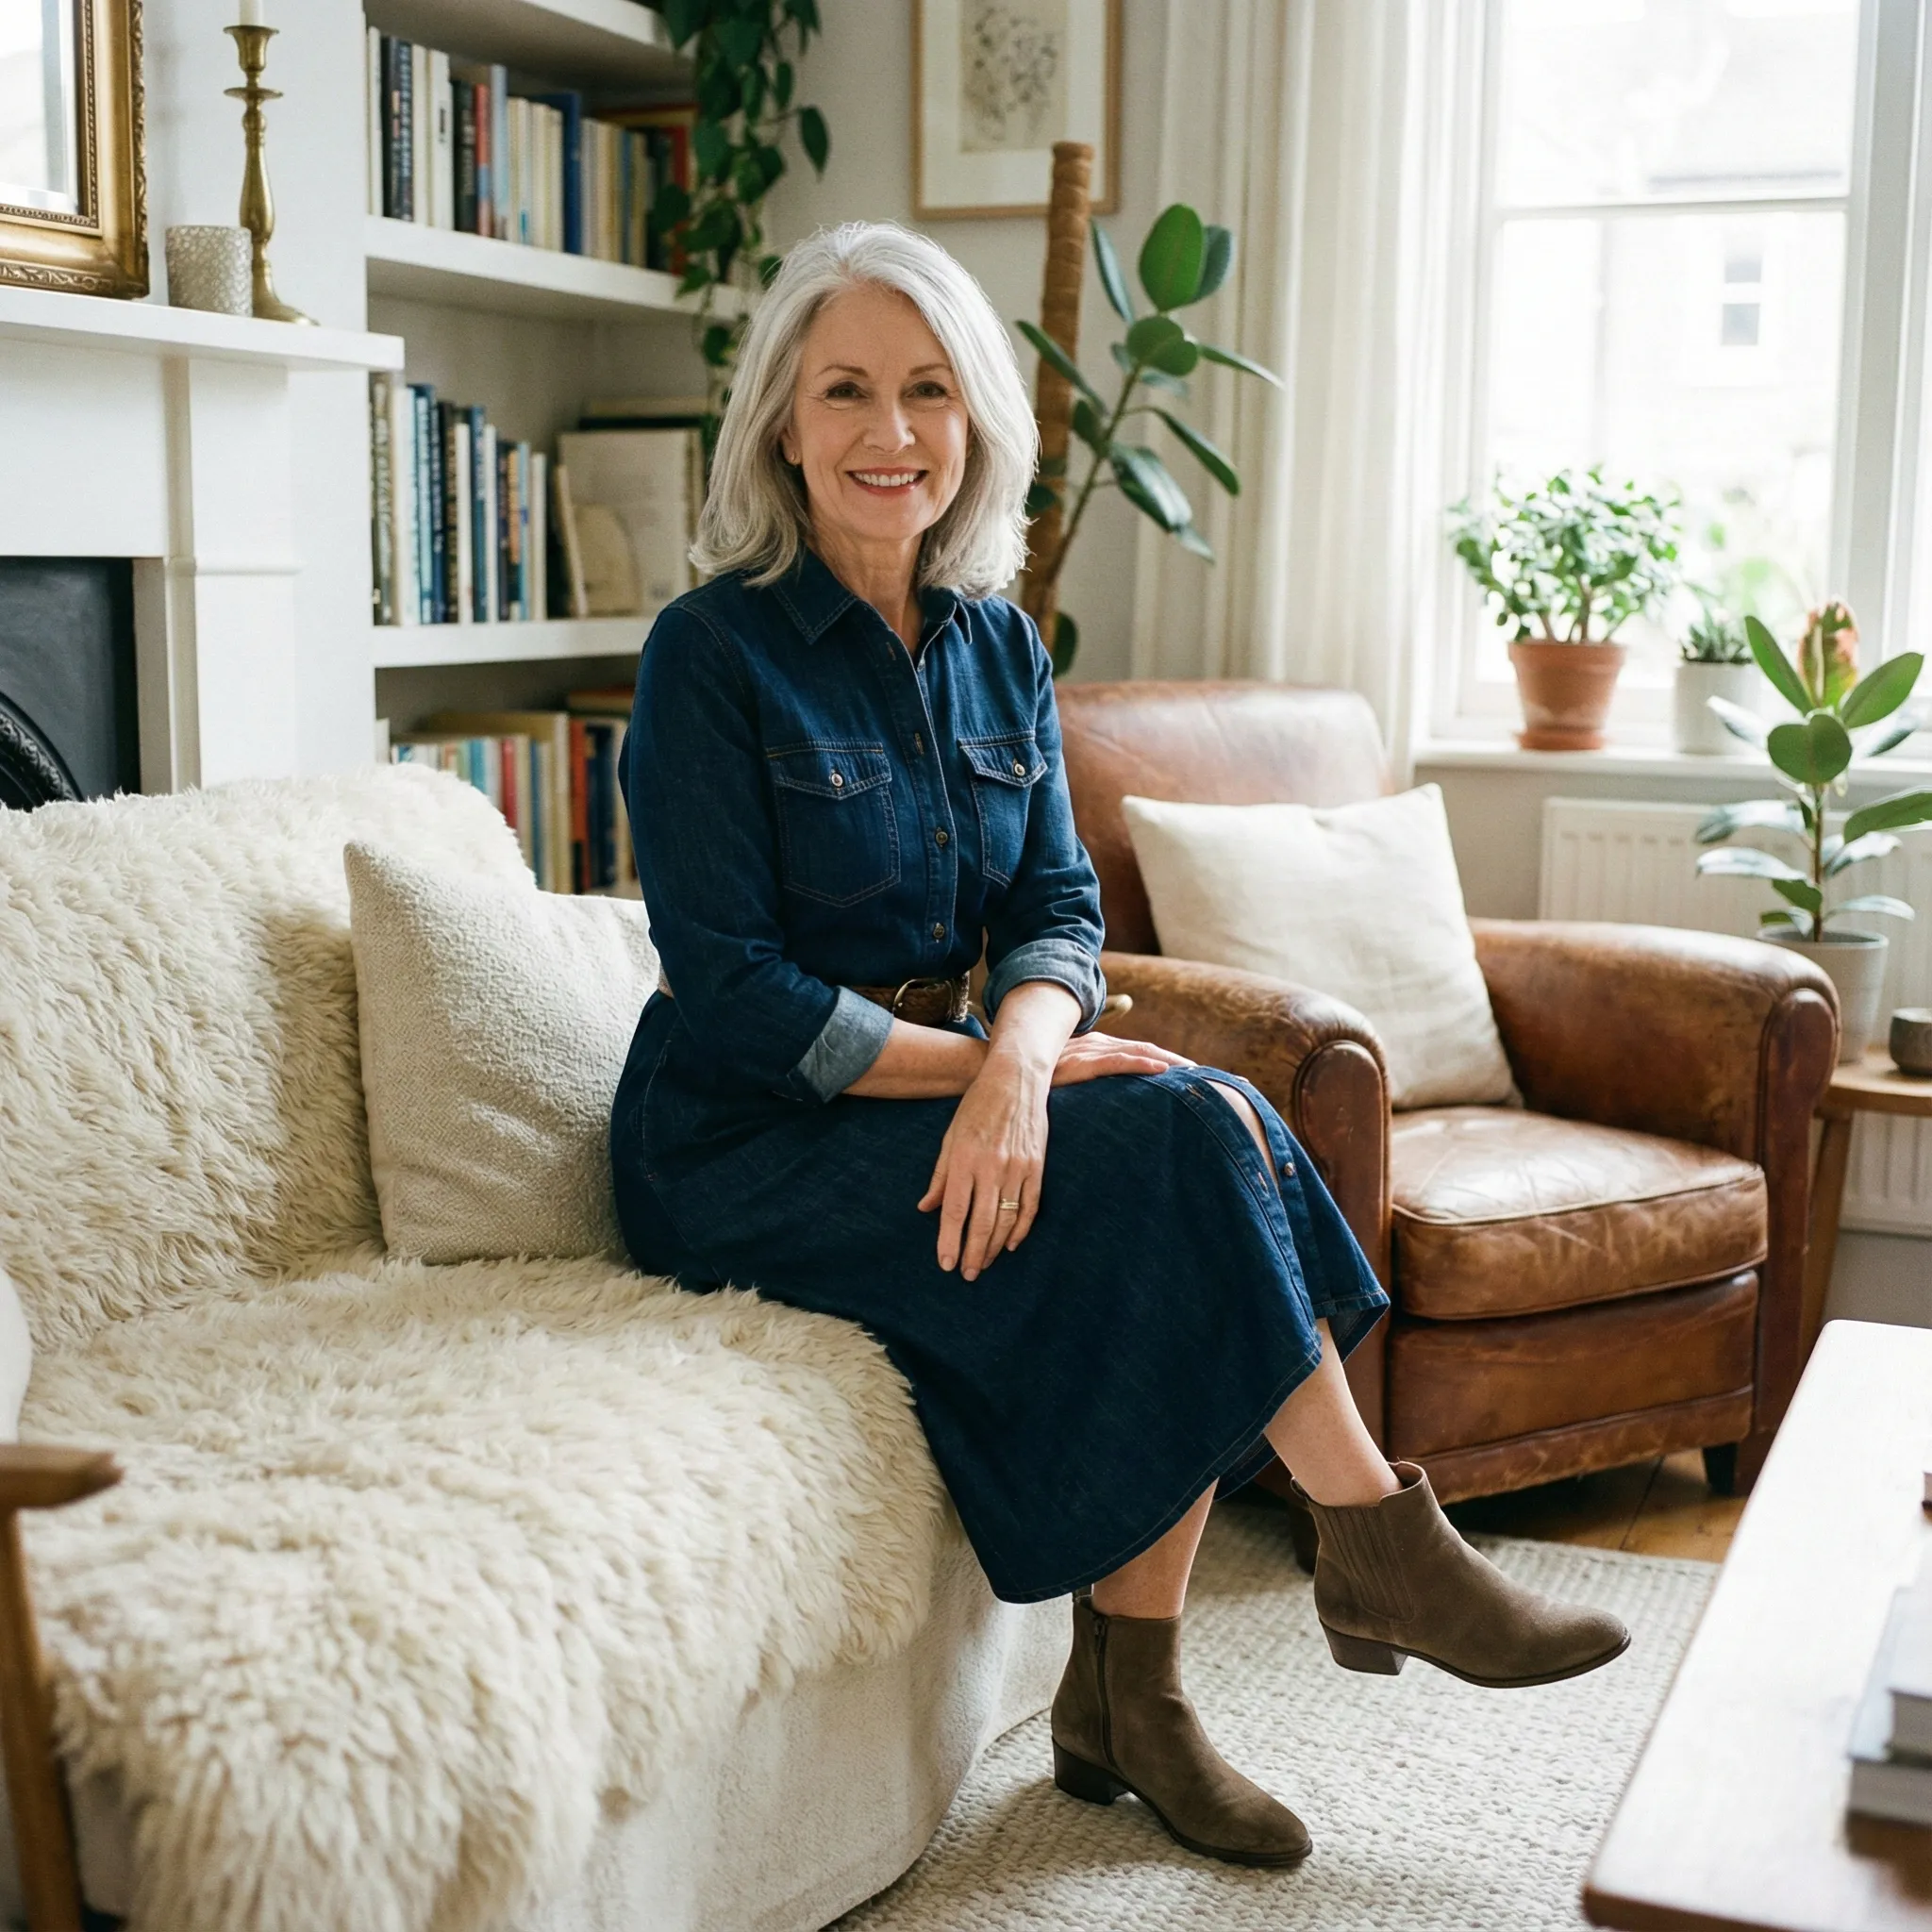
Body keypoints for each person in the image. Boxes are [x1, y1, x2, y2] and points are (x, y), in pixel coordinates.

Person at [610, 220, 1626, 1870]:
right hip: (744, 1146)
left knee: (1182, 1135)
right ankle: (1354, 1558)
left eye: (928, 390)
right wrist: (991, 1078)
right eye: (848, 391)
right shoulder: (710, 658)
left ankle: (1139, 1692)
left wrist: (1019, 1065)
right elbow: (733, 994)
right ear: (782, 427)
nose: (891, 433)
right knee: (1175, 1136)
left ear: (976, 423)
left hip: (942, 1091)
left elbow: (1059, 909)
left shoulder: (1001, 643)